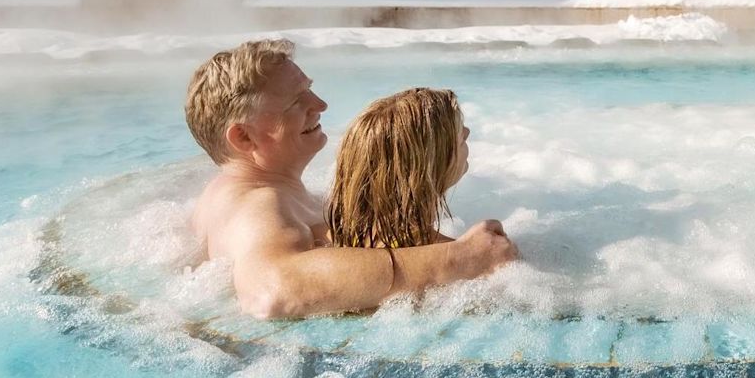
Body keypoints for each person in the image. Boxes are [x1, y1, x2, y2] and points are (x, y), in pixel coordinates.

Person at [185, 39, 517, 319]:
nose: (320, 104)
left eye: (309, 89)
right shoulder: (257, 205)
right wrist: (459, 259)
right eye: (296, 101)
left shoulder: (259, 194)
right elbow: (271, 292)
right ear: (244, 137)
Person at [328, 87, 473, 251]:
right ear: (428, 163)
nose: (467, 132)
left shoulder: (344, 238)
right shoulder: (455, 255)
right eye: (457, 131)